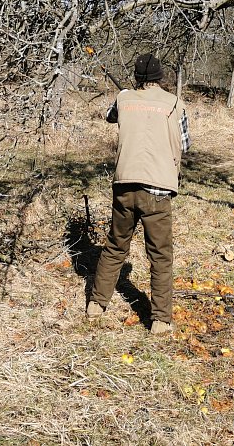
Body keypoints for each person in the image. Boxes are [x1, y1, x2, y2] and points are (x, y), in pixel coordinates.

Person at [87, 53, 190, 335]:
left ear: (136, 76)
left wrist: (124, 96)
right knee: (160, 256)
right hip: (157, 190)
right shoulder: (174, 104)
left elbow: (111, 117)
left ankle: (96, 304)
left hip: (124, 185)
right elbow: (185, 144)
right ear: (160, 77)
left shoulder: (124, 99)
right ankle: (160, 320)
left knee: (115, 246)